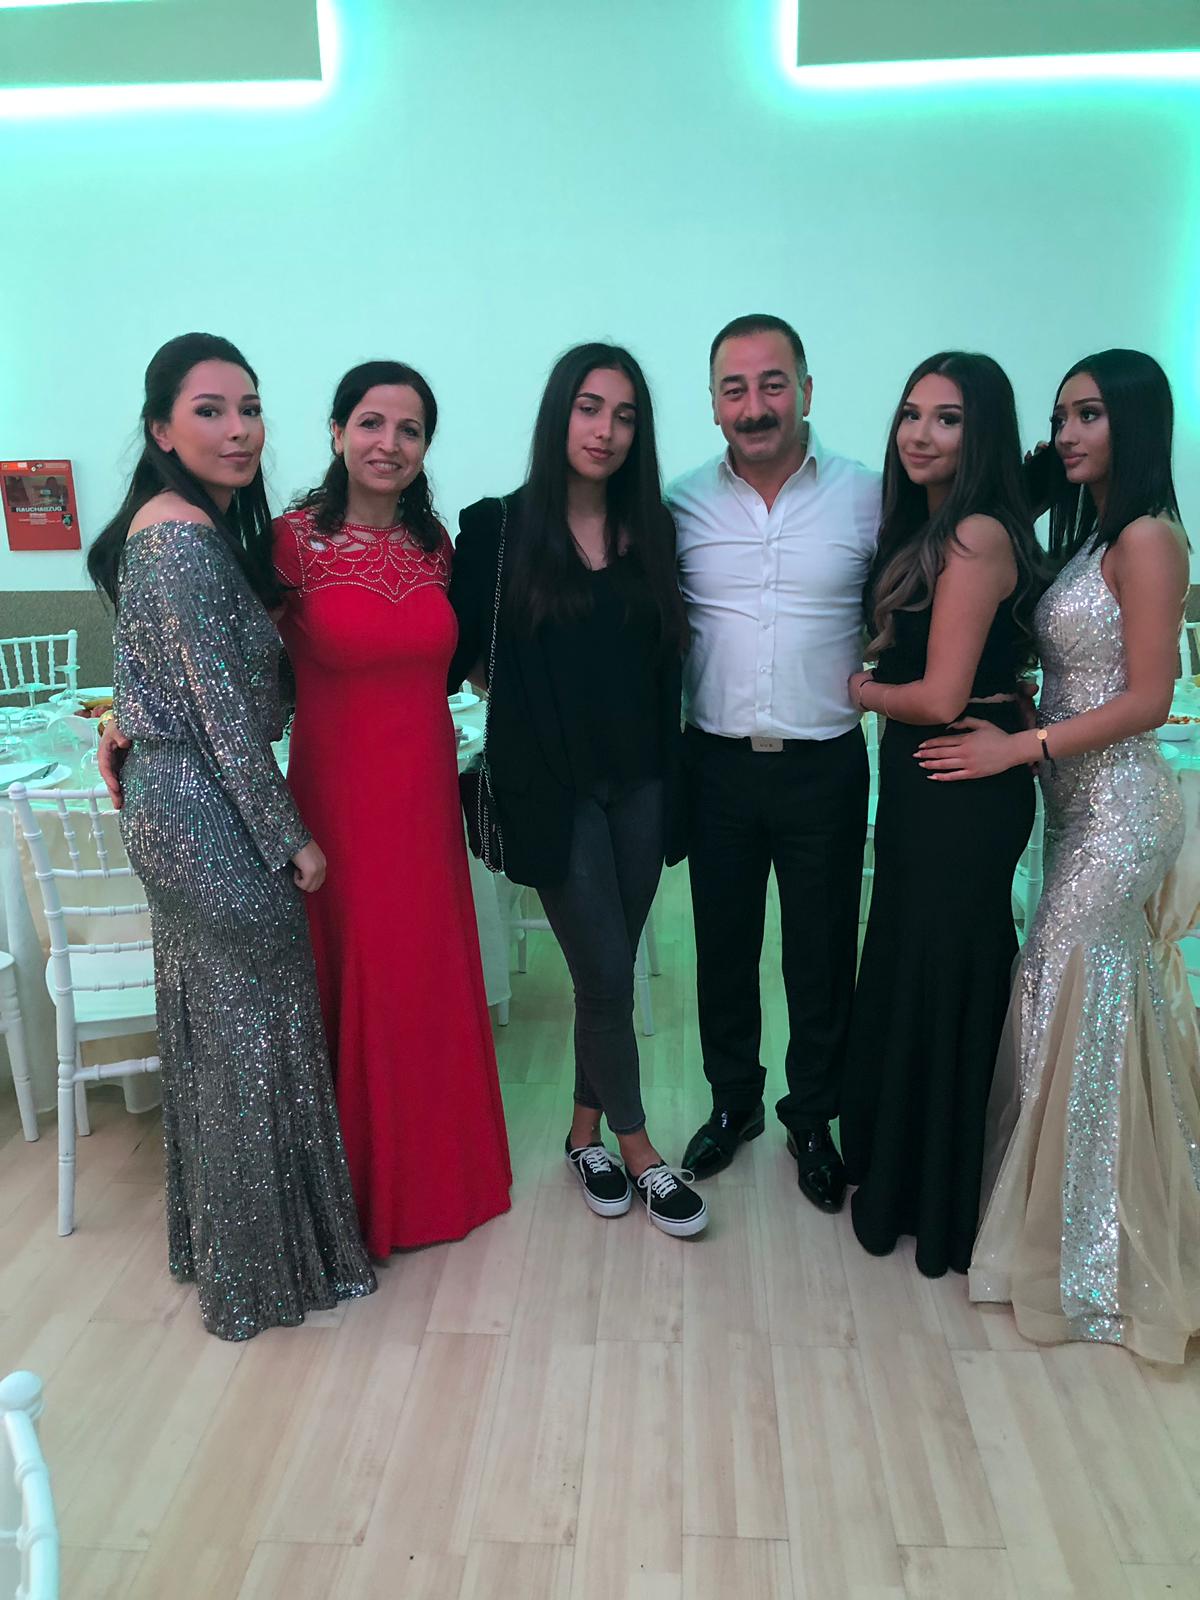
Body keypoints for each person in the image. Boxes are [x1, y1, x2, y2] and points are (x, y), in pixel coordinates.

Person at [87, 332, 375, 1340]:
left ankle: (226, 1255)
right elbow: (218, 714)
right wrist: (290, 838)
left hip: (175, 802)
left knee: (218, 1035)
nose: (238, 428)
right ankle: (260, 1276)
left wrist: (124, 721)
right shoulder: (178, 537)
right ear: (161, 430)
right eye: (209, 410)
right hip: (207, 815)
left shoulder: (175, 529)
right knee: (256, 1038)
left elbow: (162, 677)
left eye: (248, 407)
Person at [921, 349, 1200, 1361]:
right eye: (1060, 417)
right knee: (1088, 1004)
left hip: (1121, 809)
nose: (1067, 434)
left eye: (1088, 415)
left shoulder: (1150, 538)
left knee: (1060, 987)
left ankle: (1088, 1250)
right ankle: (1083, 1220)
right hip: (1074, 807)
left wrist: (1021, 744)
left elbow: (1151, 698)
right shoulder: (1091, 537)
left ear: (1135, 423)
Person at [448, 342, 706, 1237]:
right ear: (559, 413)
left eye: (625, 415)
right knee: (602, 971)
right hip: (548, 790)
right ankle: (641, 1151)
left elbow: (668, 660)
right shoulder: (498, 529)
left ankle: (582, 1133)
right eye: (590, 408)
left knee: (611, 973)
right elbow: (448, 651)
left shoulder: (655, 528)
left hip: (643, 782)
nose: (606, 430)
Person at [273, 361, 511, 1256]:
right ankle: (358, 1197)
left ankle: (439, 1179)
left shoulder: (436, 546)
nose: (389, 443)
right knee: (363, 974)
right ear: (337, 433)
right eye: (371, 423)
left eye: (409, 430)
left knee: (423, 976)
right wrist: (129, 723)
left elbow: (471, 662)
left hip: (423, 801)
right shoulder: (288, 543)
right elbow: (223, 662)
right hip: (338, 804)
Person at [668, 314, 879, 1211]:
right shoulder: (678, 503)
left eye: (772, 384)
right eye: (735, 388)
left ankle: (813, 1117)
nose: (754, 406)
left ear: (806, 389)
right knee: (722, 946)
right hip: (714, 766)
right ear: (714, 403)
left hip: (823, 765)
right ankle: (734, 1103)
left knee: (821, 952)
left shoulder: (869, 496)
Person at [839, 352, 1040, 1277]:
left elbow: (939, 694)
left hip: (960, 778)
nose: (920, 433)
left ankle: (935, 1200)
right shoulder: (931, 525)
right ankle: (909, 1179)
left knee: (943, 970)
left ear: (982, 432)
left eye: (947, 419)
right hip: (934, 777)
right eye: (911, 414)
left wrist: (860, 689)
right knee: (914, 961)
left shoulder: (973, 534)